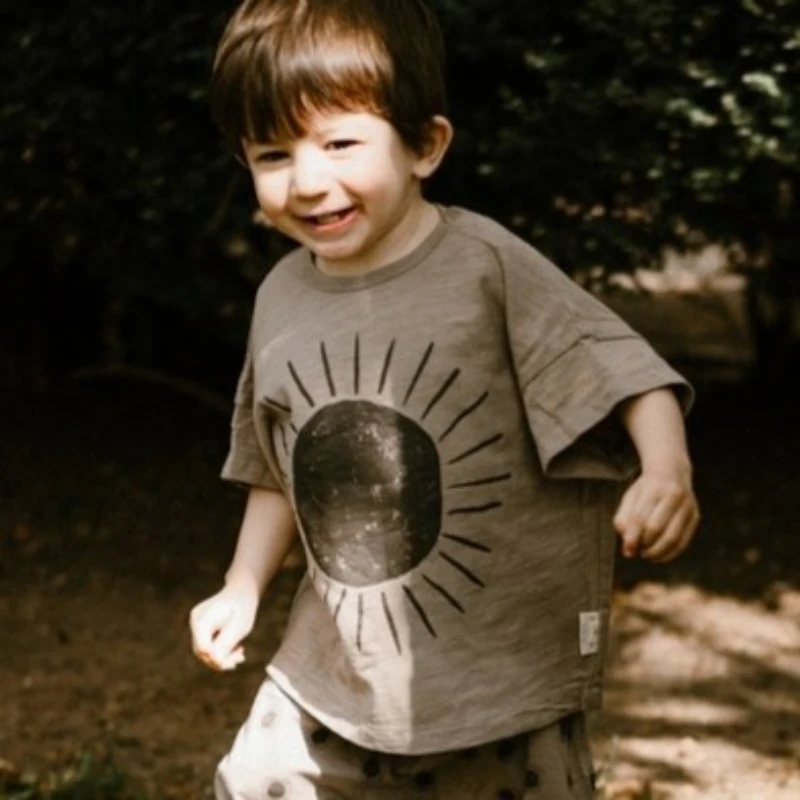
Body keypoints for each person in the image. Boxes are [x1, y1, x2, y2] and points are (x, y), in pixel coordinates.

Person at [189, 0, 700, 797]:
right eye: (273, 154)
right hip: (333, 674)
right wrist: (243, 584)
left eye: (340, 144)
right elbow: (275, 466)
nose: (309, 181)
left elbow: (624, 370)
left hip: (499, 676)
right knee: (252, 780)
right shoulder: (280, 296)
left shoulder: (487, 266)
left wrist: (667, 471)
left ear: (425, 146)